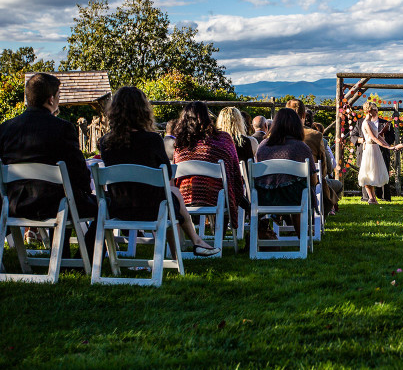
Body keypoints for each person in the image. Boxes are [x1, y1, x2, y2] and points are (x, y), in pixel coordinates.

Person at [98, 87, 219, 256]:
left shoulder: (105, 143)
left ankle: (194, 243)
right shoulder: (152, 140)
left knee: (171, 195)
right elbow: (166, 175)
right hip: (152, 208)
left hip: (119, 207)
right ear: (143, 110)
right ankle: (187, 248)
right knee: (171, 196)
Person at [0, 72, 98, 257]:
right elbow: (78, 172)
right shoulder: (62, 128)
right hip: (54, 204)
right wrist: (85, 189)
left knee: (65, 195)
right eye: (59, 96)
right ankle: (83, 259)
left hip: (14, 204)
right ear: (51, 99)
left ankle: (64, 255)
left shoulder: (5, 128)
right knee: (103, 205)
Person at [172, 102, 247, 231]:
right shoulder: (223, 139)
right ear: (207, 117)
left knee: (224, 190)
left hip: (184, 195)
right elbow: (234, 170)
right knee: (226, 190)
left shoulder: (180, 145)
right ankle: (219, 239)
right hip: (215, 195)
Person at [255, 108, 318, 235]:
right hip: (294, 199)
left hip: (266, 198)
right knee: (301, 190)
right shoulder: (301, 147)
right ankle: (303, 237)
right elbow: (313, 180)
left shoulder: (262, 146)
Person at [286, 99, 342, 214]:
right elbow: (325, 168)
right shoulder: (314, 136)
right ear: (303, 115)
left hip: (279, 188)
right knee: (336, 185)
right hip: (308, 185)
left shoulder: (272, 137)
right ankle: (319, 216)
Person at [351, 104, 396, 201]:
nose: (377, 112)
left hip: (379, 150)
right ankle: (369, 197)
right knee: (368, 172)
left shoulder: (384, 123)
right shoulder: (363, 122)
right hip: (369, 149)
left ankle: (380, 197)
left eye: (377, 110)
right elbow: (371, 137)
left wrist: (387, 145)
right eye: (375, 110)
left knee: (378, 172)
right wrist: (362, 140)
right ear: (369, 111)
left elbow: (386, 137)